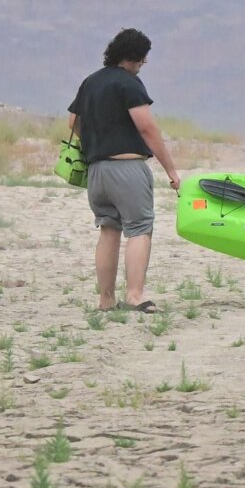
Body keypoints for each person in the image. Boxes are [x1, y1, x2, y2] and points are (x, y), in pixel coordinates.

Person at [68, 28, 182, 313]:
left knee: (108, 229)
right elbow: (146, 127)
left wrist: (96, 141)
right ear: (136, 58)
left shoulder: (90, 82)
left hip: (96, 170)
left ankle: (106, 300)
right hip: (127, 168)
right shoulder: (130, 84)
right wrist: (170, 169)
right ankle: (135, 295)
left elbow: (73, 122)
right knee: (140, 229)